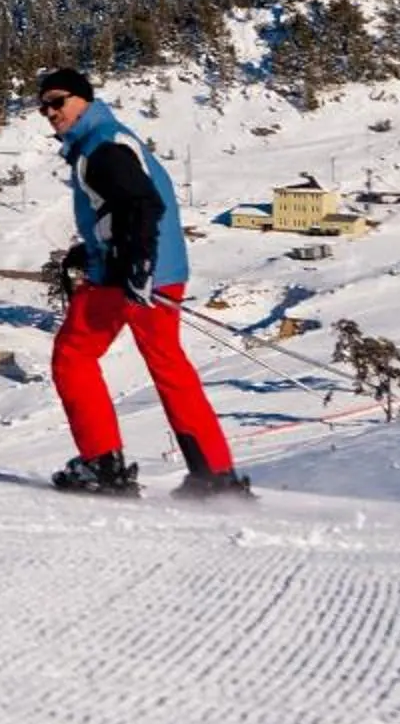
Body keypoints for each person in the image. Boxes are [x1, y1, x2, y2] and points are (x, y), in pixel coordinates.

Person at [35, 67, 251, 498]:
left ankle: (103, 465)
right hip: (154, 270)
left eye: (58, 102)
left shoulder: (101, 146)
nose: (51, 112)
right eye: (44, 107)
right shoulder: (108, 137)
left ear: (83, 99)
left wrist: (137, 264)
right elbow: (122, 209)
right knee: (168, 365)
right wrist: (94, 250)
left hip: (131, 275)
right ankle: (213, 473)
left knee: (73, 355)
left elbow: (141, 203)